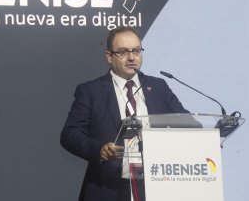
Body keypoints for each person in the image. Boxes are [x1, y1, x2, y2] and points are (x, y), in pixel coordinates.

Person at [60, 26, 190, 201]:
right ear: (109, 56)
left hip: (157, 185)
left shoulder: (159, 87)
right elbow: (70, 134)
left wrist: (206, 141)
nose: (131, 57)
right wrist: (100, 149)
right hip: (108, 187)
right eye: (123, 52)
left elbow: (186, 122)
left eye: (136, 51)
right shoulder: (91, 91)